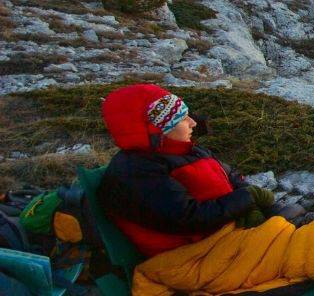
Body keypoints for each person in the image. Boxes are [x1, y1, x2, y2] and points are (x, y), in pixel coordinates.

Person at [96, 83, 276, 257]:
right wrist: (248, 197)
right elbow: (186, 218)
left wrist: (247, 203)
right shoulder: (137, 171)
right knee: (298, 250)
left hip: (223, 237)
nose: (193, 123)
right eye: (182, 118)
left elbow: (229, 174)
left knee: (291, 228)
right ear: (158, 131)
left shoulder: (188, 150)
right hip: (192, 256)